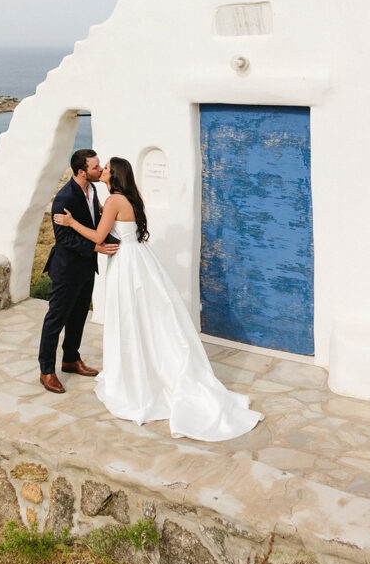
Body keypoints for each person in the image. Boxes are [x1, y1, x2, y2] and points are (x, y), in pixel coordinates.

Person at [54, 157, 263, 441]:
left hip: (126, 264)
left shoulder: (115, 200)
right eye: (98, 167)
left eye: (105, 169)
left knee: (130, 318)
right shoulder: (125, 198)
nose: (101, 170)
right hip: (139, 259)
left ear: (114, 175)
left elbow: (98, 236)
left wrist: (71, 222)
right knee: (144, 318)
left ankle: (136, 378)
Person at [38, 149, 120, 393]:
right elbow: (63, 238)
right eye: (96, 168)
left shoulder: (92, 189)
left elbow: (93, 218)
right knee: (55, 320)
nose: (100, 170)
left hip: (86, 266)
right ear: (82, 171)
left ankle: (71, 359)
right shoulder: (63, 199)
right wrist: (96, 245)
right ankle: (46, 371)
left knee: (79, 316)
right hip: (66, 269)